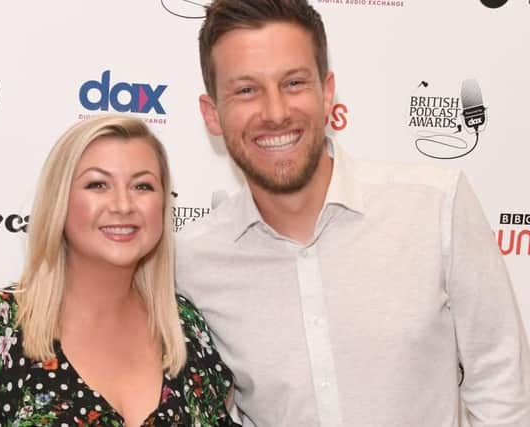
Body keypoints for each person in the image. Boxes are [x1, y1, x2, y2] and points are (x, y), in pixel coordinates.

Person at [175, 1, 530, 426]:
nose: (275, 112)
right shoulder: (190, 261)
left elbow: (502, 388)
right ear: (212, 114)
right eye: (246, 90)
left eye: (293, 83)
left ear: (327, 94)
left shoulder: (436, 204)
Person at [0, 115, 238, 426]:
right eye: (97, 184)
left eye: (142, 186)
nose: (123, 205)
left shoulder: (186, 330)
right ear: (60, 201)